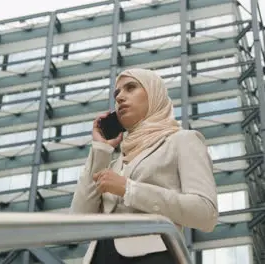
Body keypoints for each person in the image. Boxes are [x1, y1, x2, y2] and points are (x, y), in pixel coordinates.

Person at [70, 68, 218, 264]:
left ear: (154, 94)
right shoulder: (115, 162)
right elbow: (78, 224)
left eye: (131, 88)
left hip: (153, 257)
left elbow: (205, 213)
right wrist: (100, 149)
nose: (120, 97)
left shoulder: (182, 140)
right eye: (117, 93)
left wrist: (129, 189)